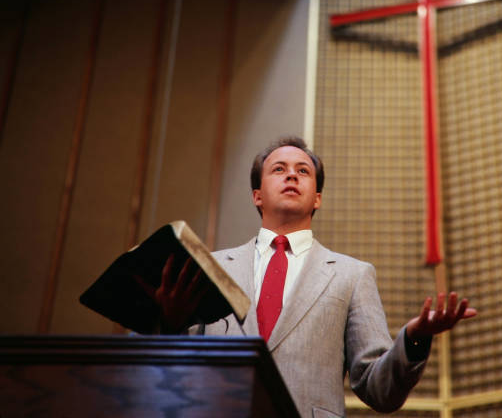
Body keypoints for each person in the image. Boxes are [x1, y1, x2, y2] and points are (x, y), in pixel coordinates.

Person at [151, 136, 476, 418]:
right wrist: (170, 324)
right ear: (257, 196)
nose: (291, 174)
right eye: (278, 169)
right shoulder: (211, 268)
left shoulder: (352, 275)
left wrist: (414, 339)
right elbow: (165, 377)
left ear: (317, 198)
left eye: (302, 171)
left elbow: (379, 390)